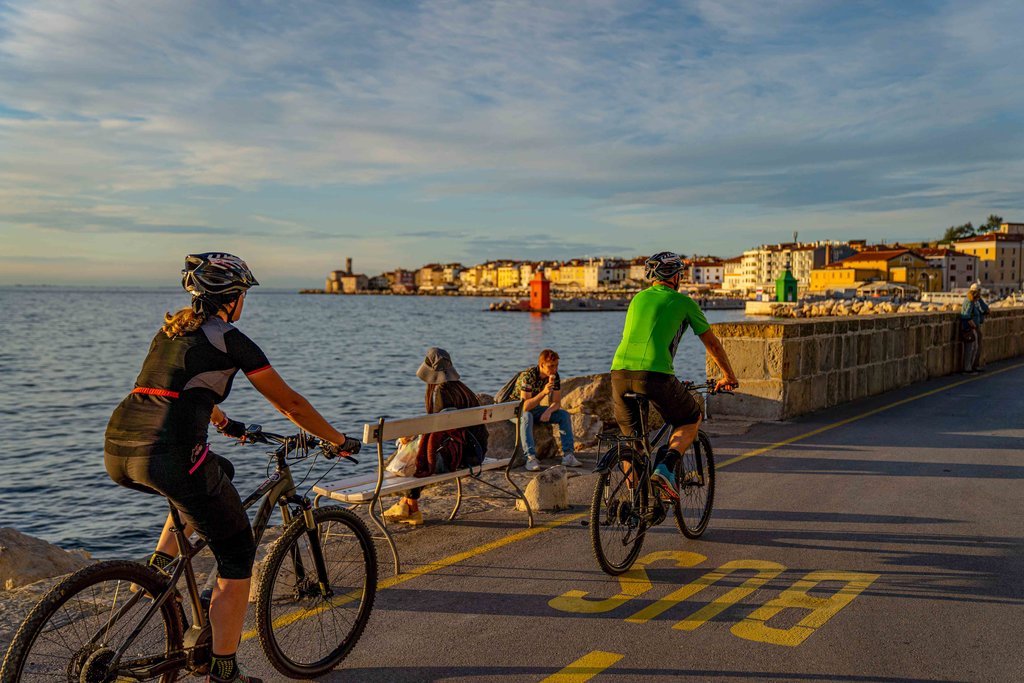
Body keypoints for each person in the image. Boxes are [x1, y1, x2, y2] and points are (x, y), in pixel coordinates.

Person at [104, 253, 359, 683]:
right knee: (237, 554)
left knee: (218, 470)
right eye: (243, 294)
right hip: (170, 454)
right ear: (233, 298)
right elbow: (289, 403)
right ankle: (224, 670)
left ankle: (158, 567)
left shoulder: (168, 333)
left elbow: (175, 388)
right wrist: (338, 440)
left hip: (119, 448)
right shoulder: (233, 340)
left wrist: (226, 423)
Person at [610, 251, 739, 499]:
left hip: (619, 373)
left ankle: (634, 504)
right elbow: (712, 344)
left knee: (632, 441)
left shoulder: (637, 299)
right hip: (654, 374)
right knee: (690, 418)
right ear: (676, 276)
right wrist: (728, 376)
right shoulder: (684, 303)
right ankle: (666, 468)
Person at [384, 347, 488, 525]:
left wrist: (408, 439)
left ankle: (410, 508)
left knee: (408, 459)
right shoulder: (464, 390)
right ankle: (407, 505)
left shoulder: (441, 392)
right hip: (475, 452)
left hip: (458, 457)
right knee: (416, 453)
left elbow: (436, 433)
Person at [507, 349, 581, 471]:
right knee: (527, 417)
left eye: (556, 365)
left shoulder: (554, 376)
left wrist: (548, 411)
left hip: (534, 409)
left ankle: (568, 455)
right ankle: (530, 458)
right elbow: (524, 406)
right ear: (541, 365)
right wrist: (544, 392)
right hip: (515, 410)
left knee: (563, 415)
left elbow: (557, 403)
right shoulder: (528, 376)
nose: (555, 369)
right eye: (551, 366)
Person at [960, 282, 989, 374]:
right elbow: (966, 315)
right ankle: (968, 368)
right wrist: (973, 325)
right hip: (970, 328)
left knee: (974, 347)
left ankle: (971, 367)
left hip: (973, 326)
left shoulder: (974, 301)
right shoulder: (970, 301)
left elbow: (985, 309)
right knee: (971, 348)